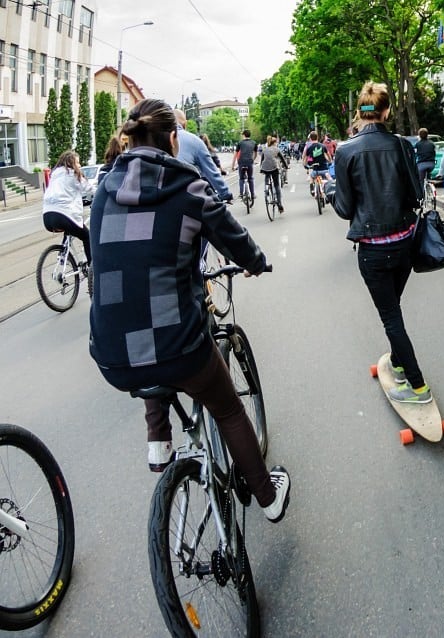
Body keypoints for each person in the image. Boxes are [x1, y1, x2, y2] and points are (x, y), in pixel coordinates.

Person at [87, 99, 291, 523]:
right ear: (173, 139)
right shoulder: (188, 187)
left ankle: (158, 443)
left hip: (111, 356)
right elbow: (233, 237)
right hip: (179, 348)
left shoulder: (104, 190)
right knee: (227, 406)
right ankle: (268, 498)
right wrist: (256, 262)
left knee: (144, 333)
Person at [333, 81, 430, 404]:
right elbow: (417, 193)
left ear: (361, 113)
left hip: (373, 250)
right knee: (393, 310)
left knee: (390, 316)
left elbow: (345, 209)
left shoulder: (346, 151)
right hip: (405, 244)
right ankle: (399, 361)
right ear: (387, 111)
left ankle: (417, 386)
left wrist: (333, 194)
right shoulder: (403, 145)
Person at [42, 150, 95, 266]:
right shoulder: (73, 174)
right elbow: (90, 189)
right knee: (87, 236)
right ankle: (93, 269)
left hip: (47, 217)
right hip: (63, 215)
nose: (79, 165)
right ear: (71, 163)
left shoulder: (54, 176)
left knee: (69, 229)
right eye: (77, 162)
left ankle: (62, 256)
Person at [172, 109, 233, 202]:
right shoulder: (194, 141)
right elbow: (211, 171)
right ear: (185, 123)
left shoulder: (155, 139)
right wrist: (225, 193)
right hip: (187, 198)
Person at [260, 135, 288, 213]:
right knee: (276, 185)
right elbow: (282, 159)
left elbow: (262, 161)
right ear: (274, 143)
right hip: (274, 168)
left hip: (265, 168)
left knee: (267, 175)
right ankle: (279, 204)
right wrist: (286, 166)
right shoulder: (277, 149)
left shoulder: (264, 150)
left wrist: (261, 169)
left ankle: (266, 189)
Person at [232, 129, 259, 202]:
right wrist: (253, 159)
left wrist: (233, 165)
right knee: (250, 178)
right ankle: (253, 194)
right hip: (249, 162)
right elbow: (256, 153)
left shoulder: (240, 143)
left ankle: (241, 194)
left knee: (241, 179)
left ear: (244, 135)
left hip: (241, 162)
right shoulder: (254, 143)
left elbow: (235, 154)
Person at [302, 130, 331, 196]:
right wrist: (330, 161)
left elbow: (305, 158)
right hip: (324, 169)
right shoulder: (323, 146)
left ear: (310, 138)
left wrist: (305, 165)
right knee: (329, 179)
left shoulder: (309, 148)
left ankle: (312, 190)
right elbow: (328, 155)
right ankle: (331, 190)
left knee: (311, 177)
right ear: (317, 137)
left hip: (315, 170)